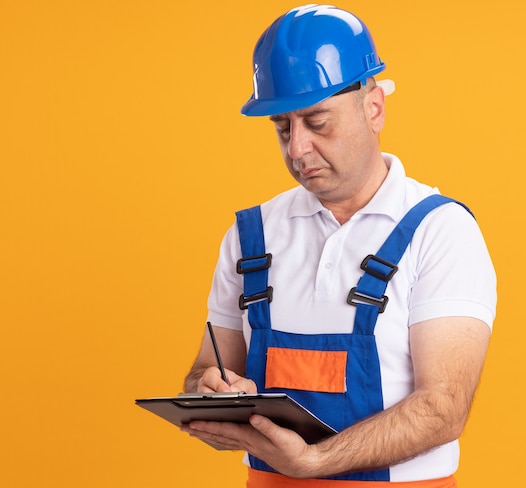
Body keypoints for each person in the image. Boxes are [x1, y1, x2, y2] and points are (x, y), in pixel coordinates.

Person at [182, 4, 496, 487]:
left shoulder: (441, 231)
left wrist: (315, 462)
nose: (297, 149)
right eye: (283, 128)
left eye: (317, 122)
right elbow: (206, 367)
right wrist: (210, 394)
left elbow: (442, 409)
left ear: (373, 107)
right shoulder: (251, 236)